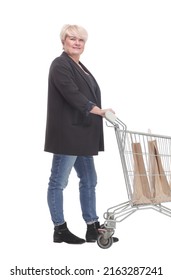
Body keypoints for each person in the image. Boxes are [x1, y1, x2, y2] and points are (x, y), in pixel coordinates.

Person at [44, 24, 118, 244]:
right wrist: (99, 111)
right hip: (68, 134)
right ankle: (60, 228)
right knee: (58, 182)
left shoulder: (81, 66)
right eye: (72, 38)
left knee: (89, 179)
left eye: (81, 40)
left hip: (83, 134)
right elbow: (72, 94)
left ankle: (91, 227)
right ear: (63, 41)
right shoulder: (60, 65)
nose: (77, 43)